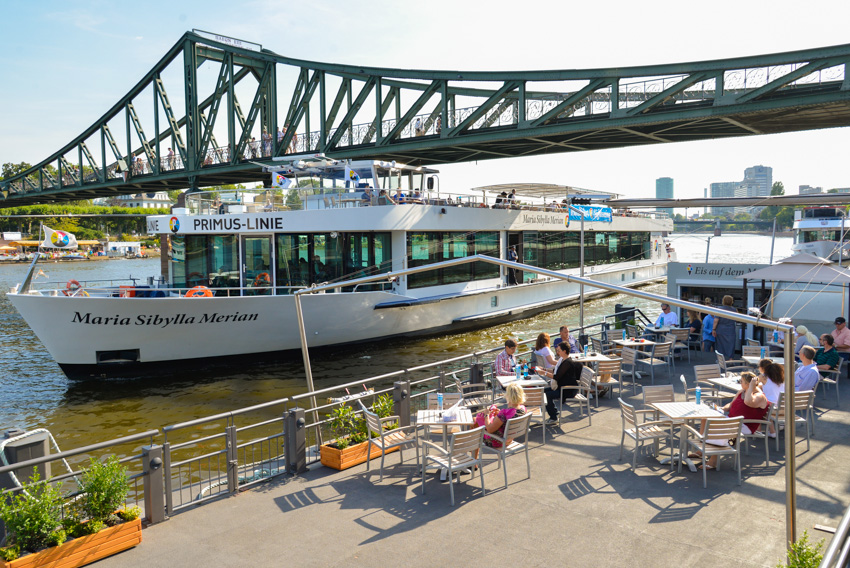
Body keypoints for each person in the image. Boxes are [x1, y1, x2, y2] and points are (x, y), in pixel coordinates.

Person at [692, 372, 769, 470]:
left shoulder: (760, 396)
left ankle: (713, 460)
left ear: (748, 384)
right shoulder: (742, 391)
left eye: (741, 382)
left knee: (720, 427)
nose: (740, 383)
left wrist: (751, 388)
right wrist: (722, 408)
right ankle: (702, 450)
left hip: (745, 425)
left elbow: (748, 401)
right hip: (732, 420)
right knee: (706, 419)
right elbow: (731, 404)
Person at [474, 383, 527, 452]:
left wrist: (486, 415)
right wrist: (499, 414)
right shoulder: (523, 409)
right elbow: (508, 418)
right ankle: (473, 452)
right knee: (475, 420)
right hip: (509, 439)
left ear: (508, 396)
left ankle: (472, 453)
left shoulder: (504, 413)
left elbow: (489, 429)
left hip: (498, 441)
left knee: (474, 422)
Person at [541, 342, 584, 423]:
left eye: (559, 350)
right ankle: (555, 413)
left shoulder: (567, 363)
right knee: (543, 391)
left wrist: (544, 373)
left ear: (564, 351)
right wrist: (544, 369)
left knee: (546, 395)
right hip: (562, 387)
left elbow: (557, 377)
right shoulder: (563, 360)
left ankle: (553, 417)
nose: (558, 352)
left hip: (568, 390)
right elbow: (555, 371)